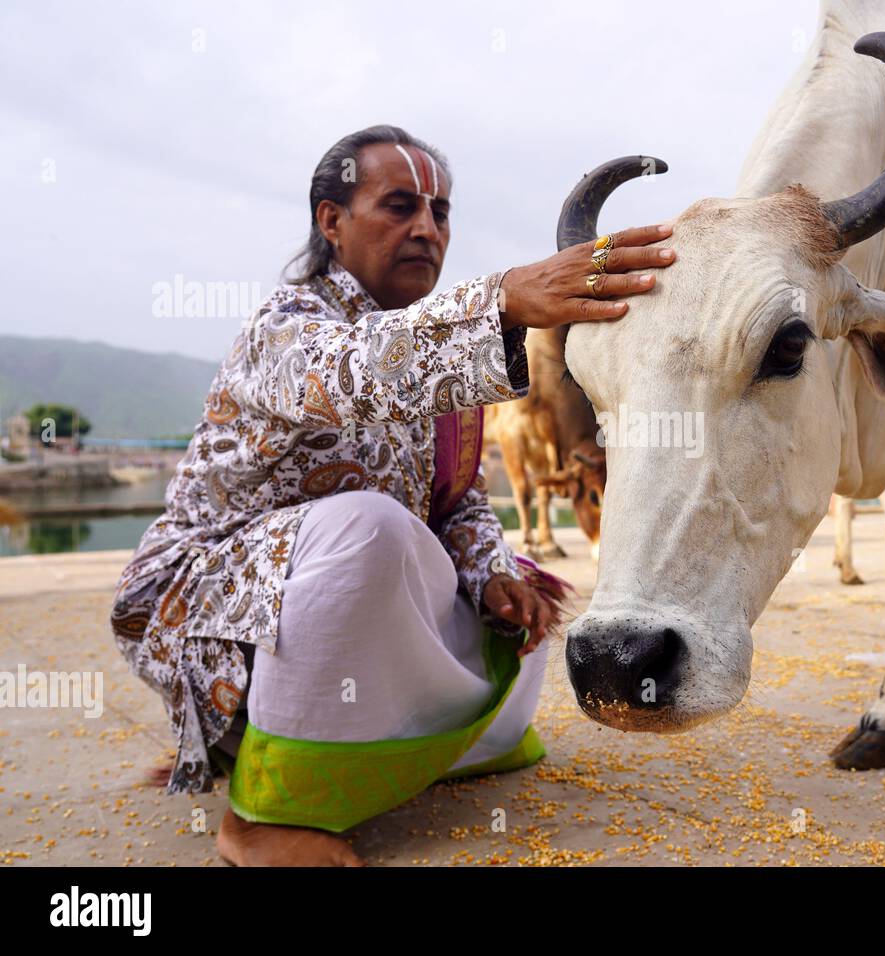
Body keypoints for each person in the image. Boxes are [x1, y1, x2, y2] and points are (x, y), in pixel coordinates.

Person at [108, 124, 675, 865]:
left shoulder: (436, 355)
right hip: (208, 603)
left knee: (528, 596)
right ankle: (268, 810)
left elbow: (461, 503)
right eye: (399, 206)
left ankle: (395, 746)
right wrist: (501, 300)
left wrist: (490, 572)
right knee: (370, 528)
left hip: (343, 608)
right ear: (331, 221)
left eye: (440, 213)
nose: (426, 229)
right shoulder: (289, 325)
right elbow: (353, 374)